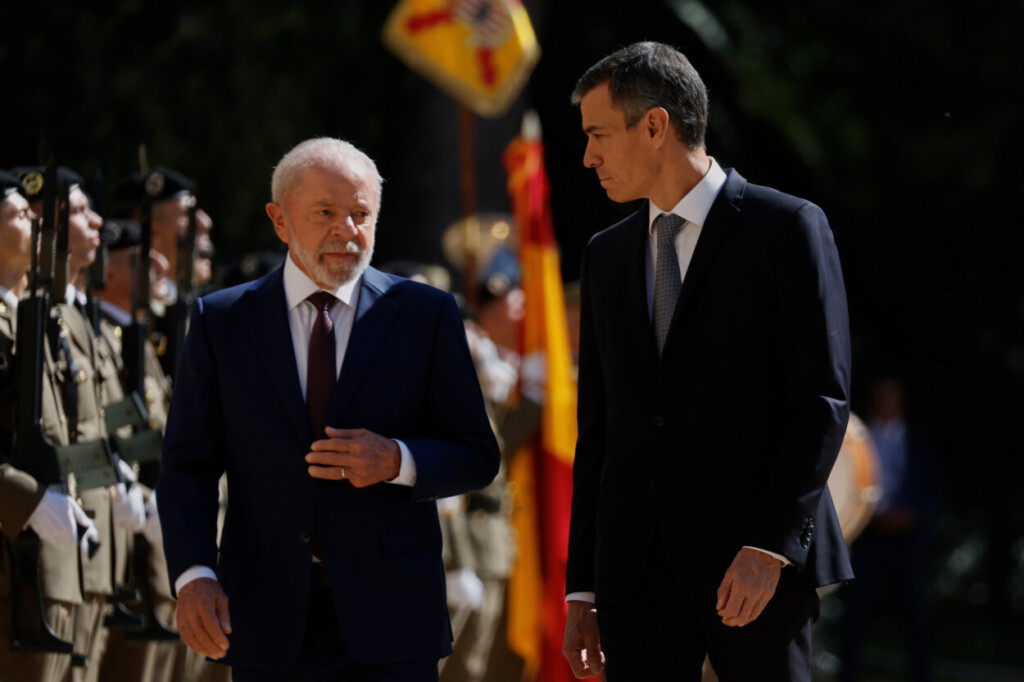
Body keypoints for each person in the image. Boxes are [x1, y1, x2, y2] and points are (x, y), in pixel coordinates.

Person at [156, 137, 500, 680]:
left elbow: (477, 454)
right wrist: (194, 575)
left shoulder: (423, 313)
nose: (347, 229)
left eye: (361, 214)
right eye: (325, 213)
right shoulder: (223, 321)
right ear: (279, 220)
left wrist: (397, 461)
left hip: (393, 616)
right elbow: (186, 467)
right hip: (265, 614)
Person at [562, 42, 852, 681]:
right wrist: (582, 587)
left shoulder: (789, 228)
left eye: (599, 134)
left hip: (753, 569)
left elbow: (821, 403)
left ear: (656, 126)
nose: (588, 157)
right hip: (635, 578)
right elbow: (600, 431)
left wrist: (769, 548)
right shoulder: (605, 256)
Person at [0, 169, 99, 682]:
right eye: (21, 215)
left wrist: (111, 486)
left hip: (68, 562)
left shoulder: (43, 317)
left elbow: (80, 431)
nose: (38, 224)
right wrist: (30, 501)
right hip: (17, 562)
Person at [838, 376, 939, 682]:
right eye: (879, 396)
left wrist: (911, 515)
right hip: (866, 535)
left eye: (890, 396)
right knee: (855, 610)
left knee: (916, 613)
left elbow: (933, 493)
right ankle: (848, 675)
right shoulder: (856, 437)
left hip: (907, 539)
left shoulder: (919, 440)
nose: (884, 402)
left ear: (901, 401)